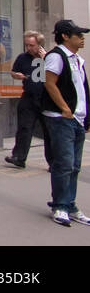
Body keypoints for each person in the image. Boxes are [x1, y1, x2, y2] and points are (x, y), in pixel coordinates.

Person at [41, 19, 89, 226]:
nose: (82, 38)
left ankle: (70, 205)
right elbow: (49, 83)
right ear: (65, 36)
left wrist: (86, 117)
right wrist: (64, 108)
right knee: (64, 164)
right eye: (78, 35)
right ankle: (60, 205)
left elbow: (82, 89)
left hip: (77, 119)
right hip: (62, 119)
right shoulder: (56, 56)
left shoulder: (77, 59)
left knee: (75, 165)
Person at [5, 31, 49, 169]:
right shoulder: (22, 58)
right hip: (29, 97)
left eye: (32, 45)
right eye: (27, 45)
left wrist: (45, 60)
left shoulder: (49, 58)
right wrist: (16, 75)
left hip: (46, 99)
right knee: (24, 128)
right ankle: (19, 157)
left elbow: (58, 75)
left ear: (40, 45)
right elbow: (13, 72)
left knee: (49, 132)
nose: (29, 48)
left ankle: (54, 162)